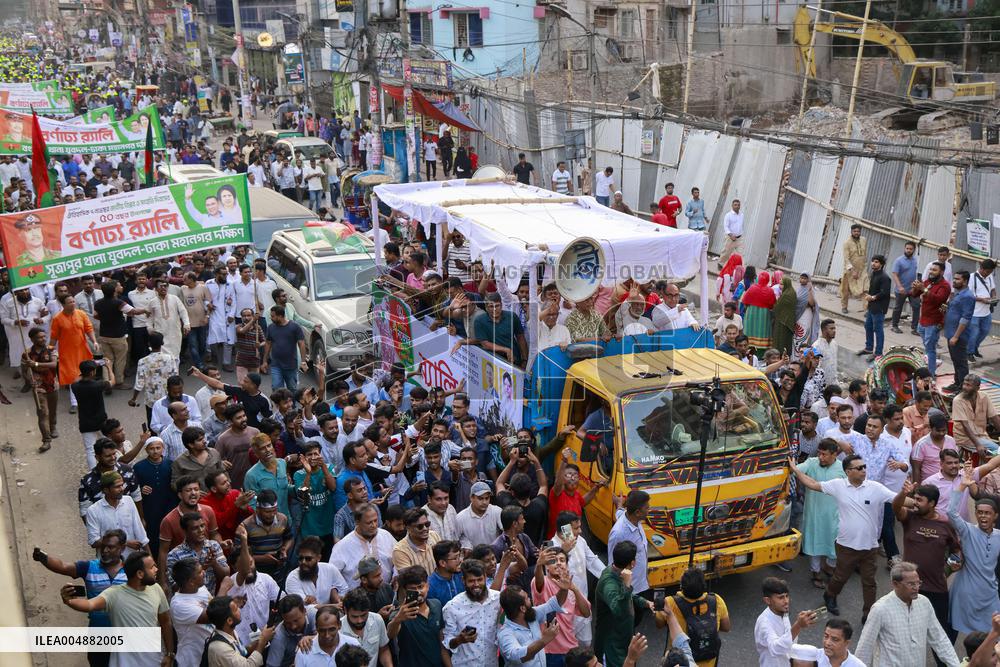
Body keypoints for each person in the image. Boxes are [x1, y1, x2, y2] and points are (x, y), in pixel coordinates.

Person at [789, 454, 896, 619]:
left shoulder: (876, 488)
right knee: (840, 577)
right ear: (848, 471)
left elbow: (898, 500)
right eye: (859, 468)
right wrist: (796, 470)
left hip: (870, 547)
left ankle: (868, 615)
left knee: (870, 583)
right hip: (846, 546)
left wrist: (916, 502)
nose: (863, 470)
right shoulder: (838, 486)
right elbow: (812, 484)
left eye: (864, 467)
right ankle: (830, 595)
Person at [60, 551, 174, 667]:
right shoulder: (114, 593)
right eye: (152, 567)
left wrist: (170, 654)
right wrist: (69, 601)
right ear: (140, 574)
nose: (157, 569)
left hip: (154, 661)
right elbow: (89, 605)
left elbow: (165, 621)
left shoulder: (156, 589)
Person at [855, 561, 960, 666]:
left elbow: (939, 639)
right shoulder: (880, 609)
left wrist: (956, 665)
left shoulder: (924, 603)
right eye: (911, 584)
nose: (916, 587)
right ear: (895, 584)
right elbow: (865, 647)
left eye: (918, 583)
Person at [947, 469, 1000, 635]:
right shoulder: (967, 531)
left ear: (995, 516)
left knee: (992, 637)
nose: (983, 517)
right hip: (965, 593)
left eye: (988, 513)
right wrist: (962, 486)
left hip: (990, 595)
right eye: (980, 513)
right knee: (952, 630)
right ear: (976, 514)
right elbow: (951, 513)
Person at [594, 541, 655, 667]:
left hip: (624, 642)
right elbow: (619, 610)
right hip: (612, 648)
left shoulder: (617, 573)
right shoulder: (609, 584)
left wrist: (644, 602)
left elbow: (625, 596)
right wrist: (627, 586)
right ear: (632, 563)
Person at [797, 439, 845, 589]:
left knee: (834, 542)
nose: (821, 458)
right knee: (815, 542)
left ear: (834, 454)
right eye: (819, 453)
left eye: (825, 454)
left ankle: (829, 566)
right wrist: (793, 466)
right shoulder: (811, 463)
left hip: (835, 515)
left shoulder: (842, 468)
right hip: (814, 514)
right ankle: (816, 572)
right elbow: (797, 469)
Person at [498, 572, 573, 667]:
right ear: (522, 608)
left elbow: (552, 604)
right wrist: (544, 640)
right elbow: (517, 657)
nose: (530, 598)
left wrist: (563, 590)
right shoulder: (505, 633)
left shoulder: (531, 614)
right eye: (527, 598)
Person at [659, 567, 729, 667]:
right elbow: (726, 627)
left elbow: (659, 624)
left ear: (682, 587)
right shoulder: (716, 600)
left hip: (681, 661)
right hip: (710, 661)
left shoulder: (670, 603)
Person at [387, 565, 448, 667]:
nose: (418, 592)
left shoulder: (436, 605)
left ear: (427, 586)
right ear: (405, 591)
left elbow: (441, 641)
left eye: (420, 587)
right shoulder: (399, 613)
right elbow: (390, 635)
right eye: (413, 589)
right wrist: (398, 619)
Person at [49, 293, 97, 415]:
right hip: (67, 353)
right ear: (63, 304)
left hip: (82, 350)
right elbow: (54, 337)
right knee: (73, 377)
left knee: (86, 374)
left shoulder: (81, 314)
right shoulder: (57, 319)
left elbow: (89, 328)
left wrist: (94, 341)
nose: (73, 304)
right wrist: (49, 350)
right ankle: (74, 403)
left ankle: (88, 400)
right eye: (70, 302)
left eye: (73, 301)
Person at [753, 577, 817, 667]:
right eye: (781, 598)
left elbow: (789, 639)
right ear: (767, 600)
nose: (786, 601)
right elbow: (776, 649)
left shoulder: (783, 612)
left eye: (787, 596)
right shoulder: (764, 623)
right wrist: (798, 625)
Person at [204, 595, 275, 666]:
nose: (239, 609)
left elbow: (240, 652)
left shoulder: (230, 632)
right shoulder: (220, 648)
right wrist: (262, 641)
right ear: (229, 621)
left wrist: (261, 638)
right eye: (236, 609)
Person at [168, 558, 213, 666]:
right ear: (191, 582)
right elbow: (213, 615)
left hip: (209, 656)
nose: (204, 572)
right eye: (200, 572)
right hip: (192, 660)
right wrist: (224, 588)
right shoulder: (178, 605)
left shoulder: (201, 588)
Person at [911, 261, 951, 376]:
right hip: (923, 320)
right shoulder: (928, 282)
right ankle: (932, 363)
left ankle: (931, 374)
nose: (931, 272)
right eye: (931, 269)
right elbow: (913, 294)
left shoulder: (945, 286)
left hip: (933, 322)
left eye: (934, 270)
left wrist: (923, 289)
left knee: (930, 349)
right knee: (927, 346)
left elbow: (938, 299)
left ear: (942, 272)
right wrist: (915, 287)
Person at [607, 490, 650, 596]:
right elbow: (613, 565)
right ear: (637, 512)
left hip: (643, 584)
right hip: (631, 592)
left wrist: (619, 504)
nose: (649, 510)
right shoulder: (618, 534)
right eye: (647, 508)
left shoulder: (632, 518)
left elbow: (620, 513)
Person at [23, 326, 59, 452]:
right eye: (39, 337)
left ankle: (53, 426)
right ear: (32, 339)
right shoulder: (27, 354)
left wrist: (37, 364)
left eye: (44, 336)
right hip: (38, 387)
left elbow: (54, 364)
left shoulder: (51, 350)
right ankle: (46, 440)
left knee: (52, 410)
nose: (43, 339)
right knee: (43, 413)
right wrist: (29, 380)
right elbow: (25, 371)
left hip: (52, 384)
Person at [860, 254, 892, 360]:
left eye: (876, 262)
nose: (873, 263)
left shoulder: (884, 277)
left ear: (881, 264)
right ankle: (869, 348)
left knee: (878, 329)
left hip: (879, 307)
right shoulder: (874, 274)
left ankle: (878, 353)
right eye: (873, 261)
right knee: (868, 326)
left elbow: (885, 293)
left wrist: (873, 297)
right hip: (872, 306)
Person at [890, 241, 920, 335]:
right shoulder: (899, 260)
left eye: (911, 249)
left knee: (916, 306)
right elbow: (895, 274)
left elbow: (916, 274)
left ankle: (914, 328)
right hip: (901, 290)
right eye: (907, 248)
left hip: (912, 290)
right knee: (898, 308)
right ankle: (894, 326)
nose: (908, 250)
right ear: (904, 248)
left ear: (914, 250)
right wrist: (900, 287)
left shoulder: (915, 260)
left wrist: (915, 286)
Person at [968, 258, 996, 359]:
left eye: (991, 272)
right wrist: (982, 299)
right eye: (988, 272)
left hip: (986, 312)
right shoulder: (971, 278)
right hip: (975, 312)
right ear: (982, 268)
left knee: (985, 331)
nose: (989, 274)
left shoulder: (989, 276)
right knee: (974, 333)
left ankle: (975, 348)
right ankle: (969, 352)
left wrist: (993, 297)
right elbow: (969, 296)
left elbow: (993, 289)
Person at [741, 271, 776, 350]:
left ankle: (748, 348)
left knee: (750, 330)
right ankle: (761, 351)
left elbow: (744, 301)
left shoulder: (752, 288)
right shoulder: (770, 291)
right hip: (764, 315)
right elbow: (772, 304)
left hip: (751, 313)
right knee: (762, 331)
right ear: (768, 280)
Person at [839, 224, 868, 315]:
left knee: (865, 289)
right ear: (851, 232)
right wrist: (853, 271)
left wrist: (864, 266)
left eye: (858, 231)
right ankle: (844, 307)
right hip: (849, 271)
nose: (856, 233)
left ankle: (866, 309)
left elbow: (864, 255)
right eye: (854, 231)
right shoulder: (847, 243)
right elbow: (846, 259)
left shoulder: (863, 240)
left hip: (862, 270)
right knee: (845, 290)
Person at [772, 276, 796, 356]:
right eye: (780, 284)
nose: (780, 286)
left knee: (781, 340)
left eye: (782, 284)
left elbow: (778, 307)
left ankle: (779, 357)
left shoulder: (787, 295)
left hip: (783, 321)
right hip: (786, 320)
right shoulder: (791, 291)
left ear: (786, 284)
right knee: (785, 340)